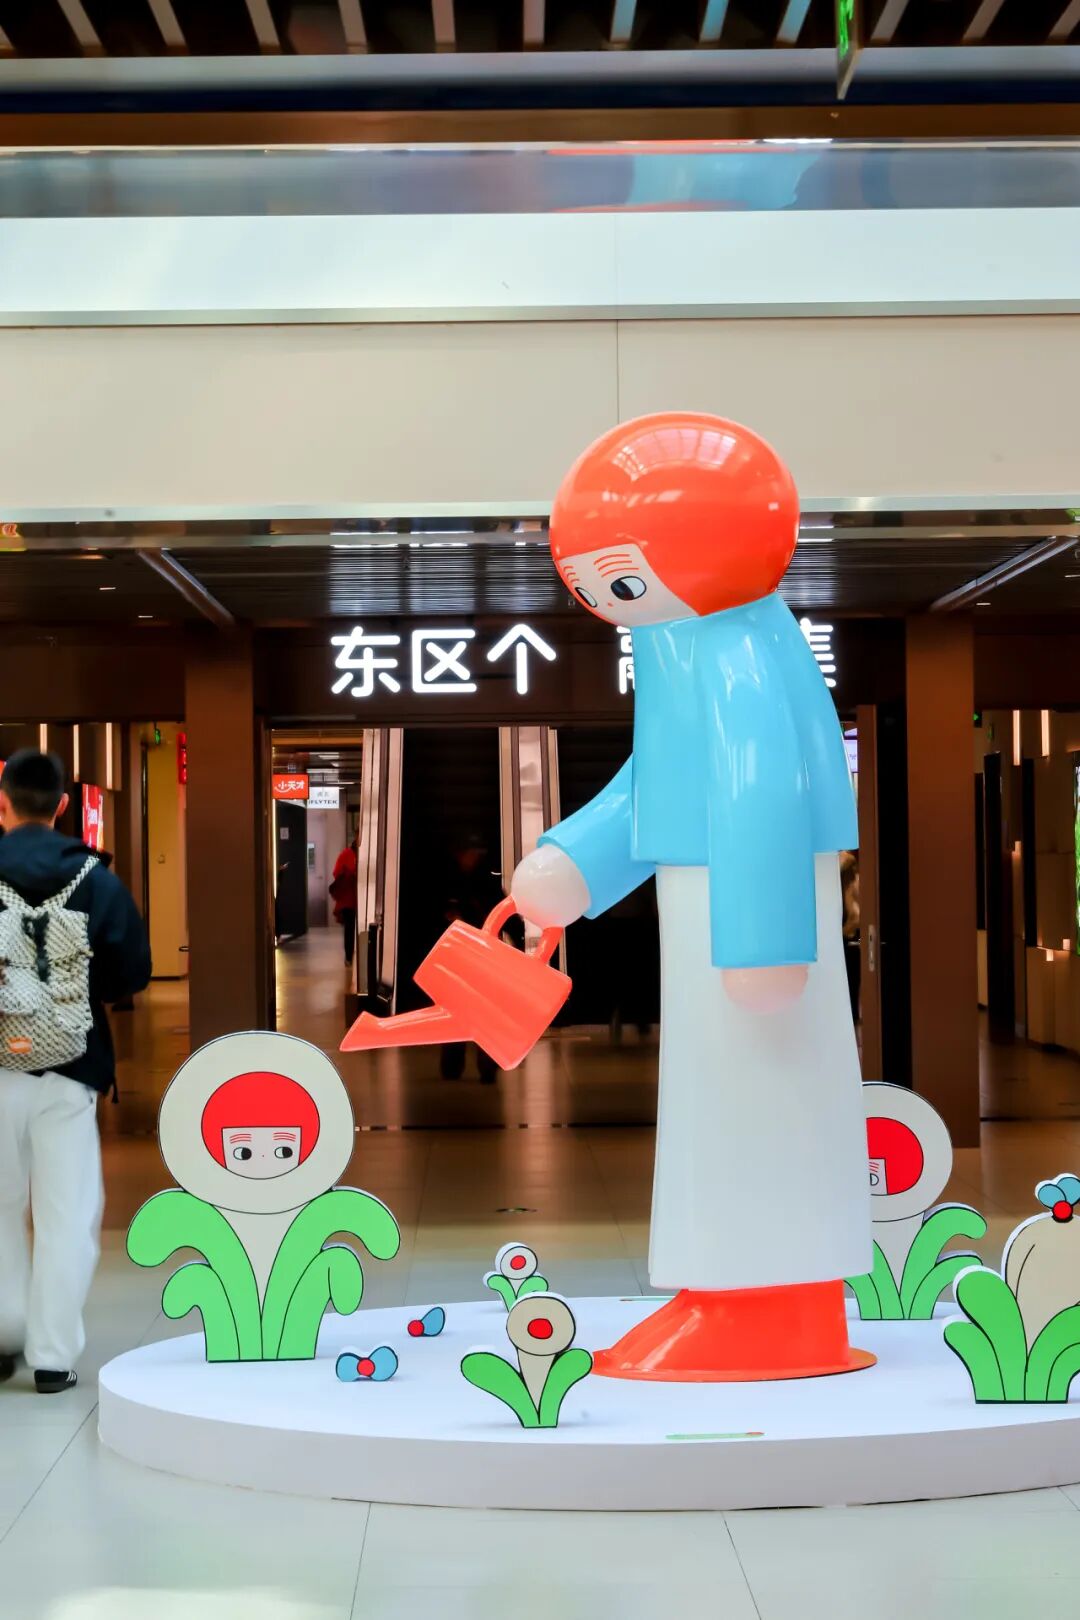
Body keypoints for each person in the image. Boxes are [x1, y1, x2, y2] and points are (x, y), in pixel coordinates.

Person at [511, 414, 871, 1383]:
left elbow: (761, 790)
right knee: (722, 1093)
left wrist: (764, 934)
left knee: (754, 1093)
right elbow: (662, 780)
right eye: (587, 583)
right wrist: (574, 861)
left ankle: (766, 1304)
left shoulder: (739, 651)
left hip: (745, 921)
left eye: (615, 580)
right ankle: (731, 1292)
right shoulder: (685, 646)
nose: (601, 601)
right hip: (712, 906)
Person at [0, 750, 151, 1394]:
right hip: (70, 1064)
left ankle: (3, 1334)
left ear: (1, 803)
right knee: (67, 1210)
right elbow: (132, 970)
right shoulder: (96, 878)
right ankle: (52, 1355)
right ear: (63, 805)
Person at [438, 833, 505, 1084]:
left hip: (479, 956)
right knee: (459, 1011)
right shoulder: (453, 880)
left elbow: (502, 910)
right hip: (461, 957)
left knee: (478, 1013)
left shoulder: (482, 881)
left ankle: (483, 1066)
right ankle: (454, 1065)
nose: (472, 857)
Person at [330, 833, 359, 968]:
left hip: (359, 897)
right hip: (348, 899)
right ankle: (348, 956)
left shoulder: (359, 853)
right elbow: (336, 873)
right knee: (350, 928)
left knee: (355, 929)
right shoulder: (346, 854)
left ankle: (355, 956)